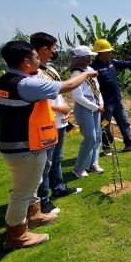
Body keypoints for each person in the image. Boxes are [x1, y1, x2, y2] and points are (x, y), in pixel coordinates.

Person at [0, 41, 97, 250]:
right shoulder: (25, 84)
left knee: (31, 184)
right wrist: (86, 75)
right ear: (25, 61)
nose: (39, 61)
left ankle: (35, 213)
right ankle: (17, 235)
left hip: (12, 142)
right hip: (26, 146)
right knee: (21, 192)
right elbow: (67, 86)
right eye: (36, 58)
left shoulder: (2, 82)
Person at [30, 32, 82, 216]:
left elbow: (56, 94)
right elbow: (35, 101)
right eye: (54, 48)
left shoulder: (50, 70)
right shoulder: (34, 73)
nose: (56, 51)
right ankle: (43, 200)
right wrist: (58, 109)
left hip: (59, 123)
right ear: (44, 49)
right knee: (45, 163)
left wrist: (63, 110)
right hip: (46, 123)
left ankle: (58, 187)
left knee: (57, 158)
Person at [90, 39, 131, 154]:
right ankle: (107, 147)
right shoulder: (93, 67)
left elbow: (125, 63)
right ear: (101, 52)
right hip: (104, 103)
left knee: (124, 122)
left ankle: (129, 145)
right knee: (105, 125)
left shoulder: (112, 62)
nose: (111, 53)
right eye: (109, 51)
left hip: (117, 100)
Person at [70, 46, 105, 178]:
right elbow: (78, 97)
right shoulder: (76, 74)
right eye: (88, 56)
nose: (91, 58)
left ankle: (93, 163)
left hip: (96, 106)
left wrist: (100, 102)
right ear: (81, 58)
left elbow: (97, 89)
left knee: (97, 137)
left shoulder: (89, 70)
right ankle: (79, 168)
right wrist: (95, 107)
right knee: (90, 138)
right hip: (84, 108)